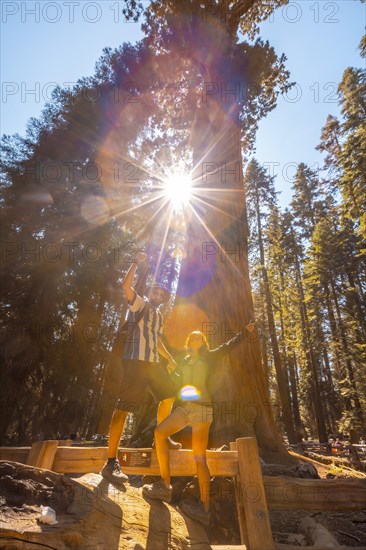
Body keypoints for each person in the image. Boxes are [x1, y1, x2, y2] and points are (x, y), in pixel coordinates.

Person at [142, 321, 256, 525]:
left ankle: (204, 509)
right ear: (188, 342)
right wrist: (170, 372)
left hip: (203, 409)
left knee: (199, 457)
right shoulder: (183, 361)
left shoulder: (209, 356)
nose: (195, 339)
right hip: (184, 409)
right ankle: (165, 486)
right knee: (160, 433)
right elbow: (178, 384)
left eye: (199, 337)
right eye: (192, 337)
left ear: (203, 342)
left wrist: (245, 333)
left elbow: (229, 345)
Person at [101, 252, 180, 486]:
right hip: (135, 364)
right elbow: (125, 286)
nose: (157, 295)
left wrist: (168, 358)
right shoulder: (140, 305)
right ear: (149, 293)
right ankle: (110, 462)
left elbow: (156, 341)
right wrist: (136, 263)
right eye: (155, 291)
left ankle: (161, 438)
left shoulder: (157, 316)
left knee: (170, 394)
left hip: (153, 365)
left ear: (164, 298)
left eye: (161, 294)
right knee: (122, 411)